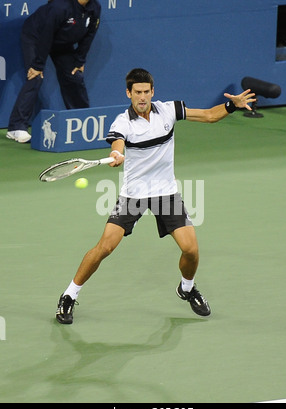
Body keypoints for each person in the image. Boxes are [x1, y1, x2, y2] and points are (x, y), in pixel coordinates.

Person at [55, 68, 256, 324]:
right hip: (134, 194)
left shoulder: (168, 110)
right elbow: (117, 143)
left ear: (152, 91)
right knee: (105, 246)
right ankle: (69, 296)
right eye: (137, 92)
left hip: (165, 192)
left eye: (146, 92)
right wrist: (117, 154)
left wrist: (231, 105)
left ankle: (186, 288)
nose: (142, 97)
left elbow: (207, 115)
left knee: (191, 250)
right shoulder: (122, 123)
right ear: (128, 93)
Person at [6, 0, 101, 144]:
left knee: (74, 75)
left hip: (62, 43)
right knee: (35, 77)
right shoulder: (60, 6)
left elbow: (90, 33)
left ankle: (82, 121)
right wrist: (37, 65)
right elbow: (46, 34)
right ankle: (16, 127)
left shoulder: (95, 7)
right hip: (37, 37)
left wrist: (80, 60)